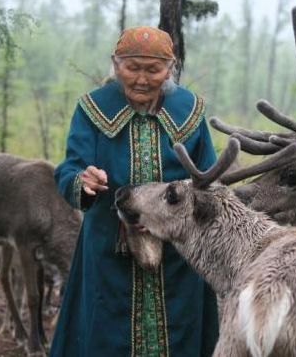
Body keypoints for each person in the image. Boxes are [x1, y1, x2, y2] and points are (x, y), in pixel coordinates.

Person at [51, 26, 219, 356]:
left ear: (170, 69)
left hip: (177, 254)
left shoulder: (190, 112)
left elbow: (209, 182)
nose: (142, 79)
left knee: (181, 330)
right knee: (106, 333)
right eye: (132, 68)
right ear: (116, 65)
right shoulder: (91, 109)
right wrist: (84, 182)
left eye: (153, 70)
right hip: (109, 252)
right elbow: (69, 169)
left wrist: (177, 213)